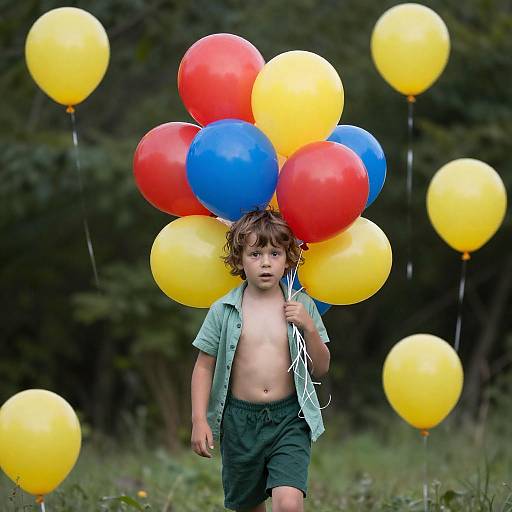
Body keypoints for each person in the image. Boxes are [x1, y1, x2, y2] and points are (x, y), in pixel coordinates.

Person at [190, 209, 331, 512]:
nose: (266, 262)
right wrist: (199, 419)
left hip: (289, 419)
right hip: (239, 422)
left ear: (288, 257)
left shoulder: (301, 304)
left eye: (275, 253)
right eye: (255, 253)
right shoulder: (223, 309)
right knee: (249, 506)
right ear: (239, 259)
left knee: (289, 503)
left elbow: (321, 367)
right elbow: (204, 365)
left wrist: (308, 327)